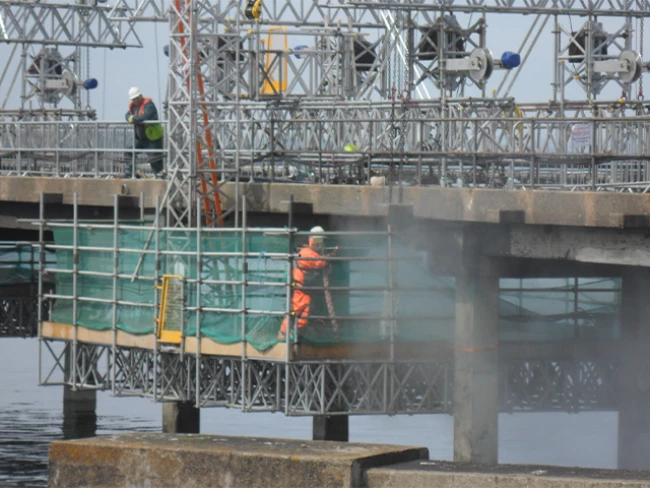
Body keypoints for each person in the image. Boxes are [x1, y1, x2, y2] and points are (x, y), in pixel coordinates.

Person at [278, 226, 329, 341]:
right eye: (320, 241)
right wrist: (329, 257)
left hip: (304, 290)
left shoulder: (308, 252)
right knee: (299, 314)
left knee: (302, 314)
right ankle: (285, 338)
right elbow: (319, 262)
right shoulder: (307, 253)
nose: (321, 244)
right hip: (301, 290)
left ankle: (291, 337)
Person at [124, 87, 164, 178]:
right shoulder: (134, 107)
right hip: (140, 137)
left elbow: (147, 116)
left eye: (137, 98)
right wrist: (129, 118)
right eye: (134, 99)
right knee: (129, 151)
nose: (136, 100)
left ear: (141, 96)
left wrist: (134, 119)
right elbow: (127, 115)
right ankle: (128, 171)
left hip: (152, 137)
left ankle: (159, 175)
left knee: (154, 158)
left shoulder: (149, 105)